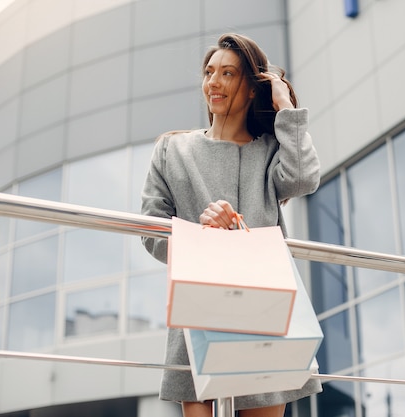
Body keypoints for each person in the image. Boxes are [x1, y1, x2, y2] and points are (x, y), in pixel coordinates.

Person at [140, 33, 322, 417]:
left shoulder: (271, 150)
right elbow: (151, 231)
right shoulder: (172, 149)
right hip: (200, 311)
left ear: (252, 87)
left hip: (266, 310)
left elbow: (304, 179)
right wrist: (200, 235)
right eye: (209, 72)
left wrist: (286, 107)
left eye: (228, 73)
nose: (214, 82)